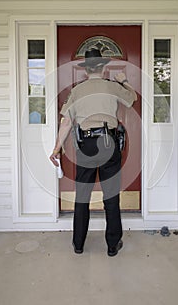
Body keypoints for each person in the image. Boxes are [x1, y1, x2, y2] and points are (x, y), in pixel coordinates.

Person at [49, 48, 137, 256]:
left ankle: (78, 244)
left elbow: (67, 121)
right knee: (111, 195)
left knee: (82, 195)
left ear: (86, 70)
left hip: (86, 145)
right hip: (109, 142)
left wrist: (57, 148)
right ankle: (112, 245)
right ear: (103, 67)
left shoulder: (77, 91)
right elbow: (132, 98)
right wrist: (123, 81)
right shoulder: (112, 87)